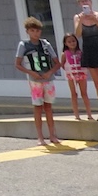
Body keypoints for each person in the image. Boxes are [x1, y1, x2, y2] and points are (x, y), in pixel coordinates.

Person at [14, 17, 63, 146]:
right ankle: (40, 137)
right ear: (27, 31)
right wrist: (31, 72)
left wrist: (50, 72)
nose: (35, 33)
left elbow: (57, 63)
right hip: (35, 80)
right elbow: (18, 64)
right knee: (37, 107)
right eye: (32, 30)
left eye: (37, 30)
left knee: (48, 107)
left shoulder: (45, 44)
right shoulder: (23, 45)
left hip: (48, 79)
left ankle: (52, 135)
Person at [61, 32, 93, 121]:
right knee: (73, 94)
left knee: (84, 93)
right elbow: (62, 64)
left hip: (81, 74)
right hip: (71, 75)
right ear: (65, 43)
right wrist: (68, 70)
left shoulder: (81, 52)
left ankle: (89, 114)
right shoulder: (64, 54)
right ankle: (76, 114)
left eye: (73, 41)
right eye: (69, 42)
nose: (72, 43)